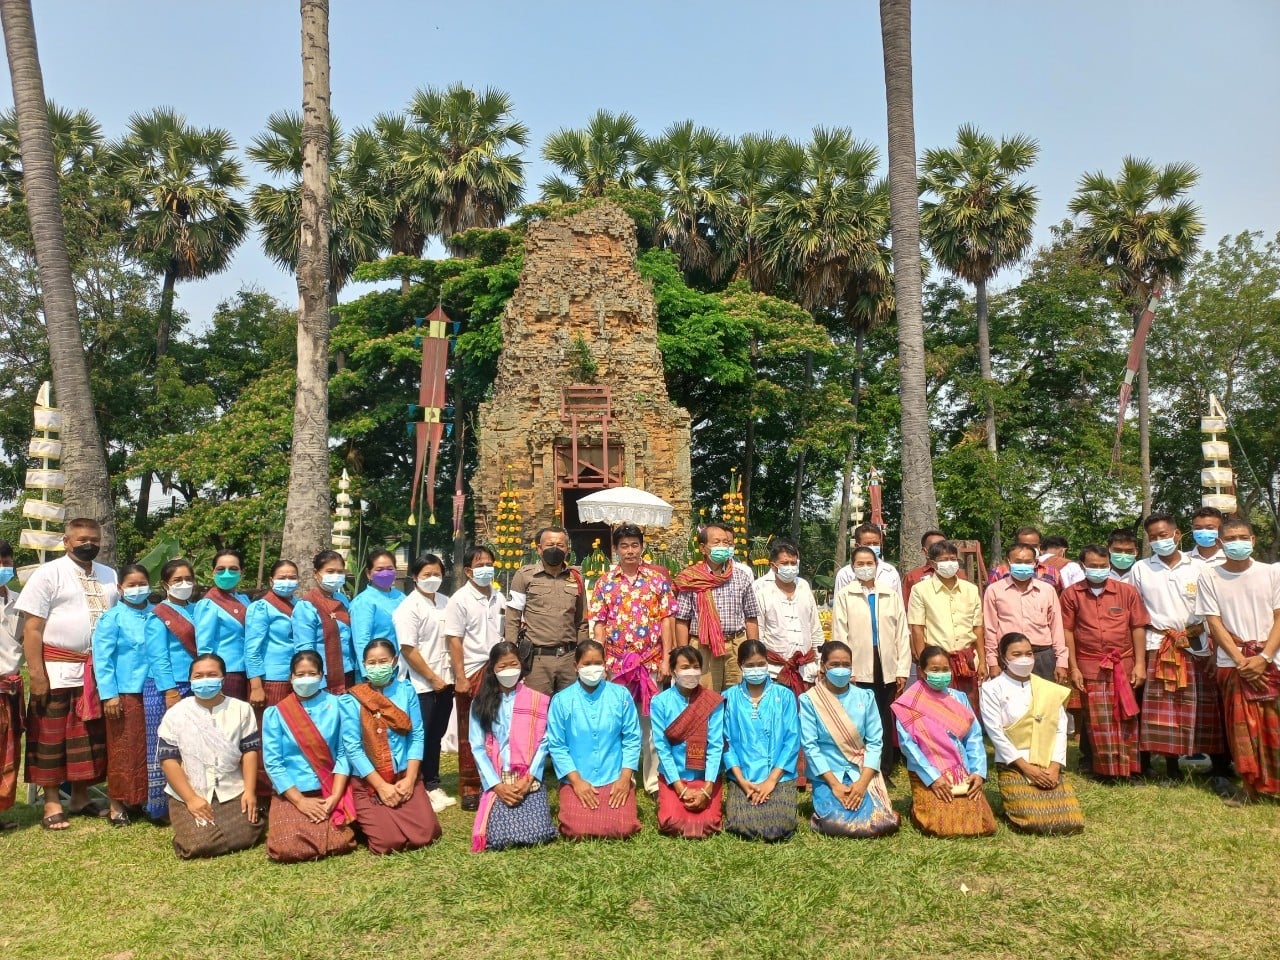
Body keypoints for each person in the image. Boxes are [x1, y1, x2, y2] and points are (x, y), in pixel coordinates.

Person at [18, 517, 117, 829]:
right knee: (51, 738)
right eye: (82, 539)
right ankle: (51, 802)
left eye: (94, 539)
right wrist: (37, 675)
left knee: (87, 737)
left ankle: (79, 797)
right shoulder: (48, 573)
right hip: (56, 670)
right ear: (67, 541)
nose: (89, 544)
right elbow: (32, 629)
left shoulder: (109, 575)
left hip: (95, 671)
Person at [1130, 514, 1227, 780]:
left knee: (1204, 706)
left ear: (1176, 534)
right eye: (1153, 537)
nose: (1159, 540)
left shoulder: (1198, 567)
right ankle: (1171, 769)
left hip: (1195, 644)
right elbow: (1136, 612)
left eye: (1163, 535)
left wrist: (1213, 648)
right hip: (1158, 644)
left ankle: (1219, 769)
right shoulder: (1141, 568)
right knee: (1165, 709)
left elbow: (1213, 611)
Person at [1195, 516, 1280, 804]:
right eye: (1230, 539)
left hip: (1272, 661)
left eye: (1243, 537)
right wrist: (1242, 660)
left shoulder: (1271, 572)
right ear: (1220, 543)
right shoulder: (1209, 576)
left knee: (1274, 725)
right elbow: (1214, 623)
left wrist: (1264, 657)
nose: (1237, 543)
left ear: (1253, 540)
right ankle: (1250, 788)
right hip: (1233, 664)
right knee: (1241, 729)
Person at [589, 522, 676, 797]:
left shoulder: (657, 580)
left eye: (634, 545)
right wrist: (601, 662)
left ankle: (652, 781)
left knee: (651, 723)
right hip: (617, 665)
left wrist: (667, 659)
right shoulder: (604, 582)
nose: (630, 551)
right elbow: (599, 624)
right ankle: (621, 777)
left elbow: (667, 620)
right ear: (615, 549)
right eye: (624, 546)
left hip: (650, 662)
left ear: (642, 547)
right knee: (617, 722)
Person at [156, 653, 264, 858]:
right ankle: (204, 832)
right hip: (189, 792)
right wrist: (191, 799)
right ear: (190, 680)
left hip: (231, 790)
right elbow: (168, 760)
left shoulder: (241, 709)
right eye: (198, 676)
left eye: (212, 674)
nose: (205, 680)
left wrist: (250, 792)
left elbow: (249, 752)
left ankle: (220, 831)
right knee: (198, 845)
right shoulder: (176, 713)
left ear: (223, 678)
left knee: (247, 833)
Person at [340, 639, 441, 854]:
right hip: (370, 782)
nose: (377, 667)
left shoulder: (406, 691)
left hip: (404, 776)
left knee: (427, 834)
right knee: (387, 843)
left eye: (383, 661)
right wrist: (381, 787)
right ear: (364, 665)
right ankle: (366, 818)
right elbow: (353, 748)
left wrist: (411, 779)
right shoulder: (352, 700)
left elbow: (417, 735)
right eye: (372, 663)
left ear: (394, 661)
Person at [981, 632, 1084, 834]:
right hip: (1015, 764)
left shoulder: (1047, 688)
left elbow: (1060, 728)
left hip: (1047, 762)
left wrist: (1055, 766)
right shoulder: (991, 689)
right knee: (1033, 822)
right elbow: (996, 734)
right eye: (1016, 654)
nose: (1024, 659)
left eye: (1028, 653)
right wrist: (1027, 768)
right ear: (1003, 658)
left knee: (1069, 821)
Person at [1061, 545, 1148, 780]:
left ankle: (1130, 770)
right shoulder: (1071, 594)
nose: (1098, 570)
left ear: (1109, 565)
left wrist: (1140, 664)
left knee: (1127, 718)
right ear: (1082, 566)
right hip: (1091, 666)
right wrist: (1073, 668)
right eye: (1093, 566)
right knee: (1098, 722)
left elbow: (1138, 627)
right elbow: (1067, 631)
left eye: (1103, 566)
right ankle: (1105, 770)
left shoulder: (1127, 592)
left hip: (1124, 665)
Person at [262, 650, 357, 862]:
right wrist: (300, 801)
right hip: (292, 791)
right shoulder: (276, 713)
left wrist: (335, 796)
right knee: (285, 848)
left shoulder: (339, 705)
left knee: (342, 842)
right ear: (291, 678)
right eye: (300, 674)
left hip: (330, 788)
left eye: (312, 673)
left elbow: (344, 754)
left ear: (322, 675)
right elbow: (273, 763)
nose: (306, 679)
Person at [798, 641, 900, 838]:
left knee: (881, 821)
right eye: (835, 664)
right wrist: (836, 786)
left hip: (860, 771)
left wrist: (861, 784)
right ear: (823, 666)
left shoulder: (865, 697)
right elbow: (810, 746)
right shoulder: (810, 700)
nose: (841, 669)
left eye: (846, 664)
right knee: (835, 822)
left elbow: (875, 742)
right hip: (827, 775)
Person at [892, 645, 996, 837]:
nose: (941, 674)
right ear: (921, 671)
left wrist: (978, 772)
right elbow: (909, 746)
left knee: (984, 825)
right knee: (942, 827)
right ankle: (917, 808)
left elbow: (973, 737)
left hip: (961, 768)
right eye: (934, 670)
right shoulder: (909, 703)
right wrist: (934, 778)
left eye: (945, 669)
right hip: (927, 771)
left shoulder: (959, 698)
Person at [545, 639, 643, 840]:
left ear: (605, 664)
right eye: (587, 664)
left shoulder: (621, 695)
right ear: (576, 666)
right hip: (578, 777)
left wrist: (625, 779)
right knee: (575, 830)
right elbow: (557, 745)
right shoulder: (561, 700)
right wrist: (577, 782)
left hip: (614, 776)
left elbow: (632, 738)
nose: (592, 668)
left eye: (598, 663)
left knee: (624, 828)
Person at [468, 641, 557, 852]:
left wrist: (529, 778)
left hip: (528, 777)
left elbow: (544, 742)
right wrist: (497, 786)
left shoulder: (538, 700)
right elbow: (477, 747)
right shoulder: (480, 703)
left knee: (538, 833)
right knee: (499, 838)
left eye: (513, 664)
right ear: (493, 669)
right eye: (502, 666)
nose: (509, 670)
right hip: (497, 777)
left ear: (521, 665)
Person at [832, 546, 910, 778]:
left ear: (877, 566)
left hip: (886, 665)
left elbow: (901, 633)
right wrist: (845, 669)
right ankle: (859, 767)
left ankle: (883, 769)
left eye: (869, 563)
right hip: (858, 665)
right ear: (852, 567)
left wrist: (902, 669)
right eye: (860, 564)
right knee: (859, 718)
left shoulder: (890, 595)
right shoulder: (845, 595)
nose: (865, 568)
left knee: (884, 717)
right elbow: (840, 634)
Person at [92, 563, 155, 826]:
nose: (137, 589)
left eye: (142, 584)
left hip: (154, 691)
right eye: (132, 585)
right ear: (120, 588)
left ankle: (142, 800)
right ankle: (116, 804)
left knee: (149, 750)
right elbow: (102, 659)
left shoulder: (157, 614)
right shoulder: (112, 618)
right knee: (123, 749)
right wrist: (110, 695)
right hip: (125, 693)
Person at [393, 552, 456, 811]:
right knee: (422, 734)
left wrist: (447, 678)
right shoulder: (408, 608)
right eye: (426, 574)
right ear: (415, 577)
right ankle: (420, 784)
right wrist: (431, 678)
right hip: (421, 684)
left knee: (437, 734)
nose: (432, 579)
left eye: (437, 574)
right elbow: (408, 649)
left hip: (446, 680)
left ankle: (432, 782)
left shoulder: (446, 602)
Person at [447, 546, 506, 811]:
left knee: (499, 726)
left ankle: (496, 778)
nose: (486, 569)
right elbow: (454, 640)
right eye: (480, 565)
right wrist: (460, 677)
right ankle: (470, 787)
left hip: (499, 671)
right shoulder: (459, 600)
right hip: (472, 670)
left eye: (489, 564)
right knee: (470, 730)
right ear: (469, 571)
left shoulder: (499, 597)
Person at [722, 639, 801, 841]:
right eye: (750, 665)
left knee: (779, 826)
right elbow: (726, 743)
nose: (756, 669)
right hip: (743, 776)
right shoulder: (728, 698)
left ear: (768, 663)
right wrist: (742, 781)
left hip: (779, 775)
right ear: (740, 665)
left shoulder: (785, 695)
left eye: (760, 664)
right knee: (741, 824)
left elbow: (792, 740)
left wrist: (771, 781)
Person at [650, 645, 726, 839]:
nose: (690, 672)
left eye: (695, 667)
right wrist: (680, 788)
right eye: (684, 667)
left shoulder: (712, 702)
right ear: (673, 670)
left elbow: (716, 746)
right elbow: (662, 748)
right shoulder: (660, 702)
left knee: (709, 824)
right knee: (671, 822)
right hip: (674, 777)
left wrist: (707, 788)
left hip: (705, 776)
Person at [674, 522, 760, 692]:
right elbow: (682, 620)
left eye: (725, 543)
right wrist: (684, 654)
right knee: (705, 697)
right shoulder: (691, 578)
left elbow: (751, 617)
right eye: (716, 542)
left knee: (738, 695)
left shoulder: (741, 577)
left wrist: (754, 650)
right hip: (703, 647)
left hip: (735, 646)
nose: (722, 546)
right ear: (703, 548)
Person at [506, 526, 585, 696]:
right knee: (537, 709)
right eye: (549, 545)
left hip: (568, 660)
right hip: (537, 661)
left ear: (567, 549)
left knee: (569, 708)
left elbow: (581, 621)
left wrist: (583, 656)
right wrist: (510, 653)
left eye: (560, 545)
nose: (555, 549)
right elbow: (512, 618)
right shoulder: (524, 576)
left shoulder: (576, 578)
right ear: (539, 549)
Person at [907, 539, 985, 712]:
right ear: (933, 563)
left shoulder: (970, 589)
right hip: (936, 660)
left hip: (966, 660)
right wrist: (923, 662)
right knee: (937, 708)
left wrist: (982, 661)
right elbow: (917, 628)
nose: (949, 563)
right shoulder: (920, 590)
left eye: (952, 559)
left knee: (968, 708)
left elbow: (978, 627)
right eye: (943, 560)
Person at [982, 542, 1068, 683]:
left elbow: (1056, 627)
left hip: (1042, 656)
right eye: (1018, 562)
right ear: (1008, 563)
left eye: (1028, 562)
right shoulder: (994, 590)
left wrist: (1061, 662)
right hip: (1009, 657)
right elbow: (990, 629)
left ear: (1035, 563)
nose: (1023, 565)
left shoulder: (1047, 590)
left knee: (1044, 696)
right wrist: (992, 662)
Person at [753, 539, 821, 695]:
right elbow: (759, 633)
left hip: (806, 670)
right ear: (773, 566)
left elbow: (815, 629)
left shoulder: (804, 590)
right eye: (784, 563)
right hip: (775, 671)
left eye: (793, 563)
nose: (790, 567)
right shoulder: (763, 594)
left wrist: (820, 662)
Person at [292, 550, 356, 695]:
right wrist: (314, 682)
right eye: (330, 571)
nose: (336, 576)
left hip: (348, 671)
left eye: (340, 572)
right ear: (316, 573)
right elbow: (305, 648)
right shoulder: (306, 606)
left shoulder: (342, 600)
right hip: (322, 676)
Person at [193, 549, 252, 699]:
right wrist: (209, 677)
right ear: (213, 572)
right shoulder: (208, 604)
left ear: (242, 572)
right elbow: (204, 646)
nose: (227, 574)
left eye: (233, 569)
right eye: (221, 569)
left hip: (247, 671)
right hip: (225, 673)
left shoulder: (244, 600)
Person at [245, 560, 301, 709]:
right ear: (271, 581)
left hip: (299, 678)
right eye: (282, 578)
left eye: (292, 577)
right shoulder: (261, 607)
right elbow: (252, 649)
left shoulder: (300, 605)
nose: (287, 582)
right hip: (271, 680)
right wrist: (256, 686)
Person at [147, 558, 199, 709]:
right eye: (177, 580)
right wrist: (170, 690)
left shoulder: (199, 609)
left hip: (199, 683)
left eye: (188, 579)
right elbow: (158, 656)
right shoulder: (158, 615)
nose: (184, 584)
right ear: (165, 585)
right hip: (170, 686)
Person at [0, 540, 23, 829]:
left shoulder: (20, 601)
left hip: (11, 686)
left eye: (6, 562)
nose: (3, 567)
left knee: (7, 751)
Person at [350, 549, 406, 665]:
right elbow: (361, 641)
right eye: (379, 569)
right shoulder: (363, 602)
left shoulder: (402, 597)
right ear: (368, 573)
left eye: (390, 569)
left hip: (402, 665)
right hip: (377, 668)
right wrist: (368, 670)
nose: (385, 573)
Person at [833, 523, 903, 597]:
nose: (872, 547)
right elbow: (839, 602)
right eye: (867, 544)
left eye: (875, 544)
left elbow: (898, 602)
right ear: (857, 546)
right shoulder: (845, 574)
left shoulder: (890, 572)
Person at [987, 526, 1063, 592]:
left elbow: (1058, 598)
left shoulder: (1052, 572)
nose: (1030, 549)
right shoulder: (999, 572)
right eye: (1024, 545)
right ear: (1016, 545)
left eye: (1034, 546)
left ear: (1039, 547)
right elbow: (990, 597)